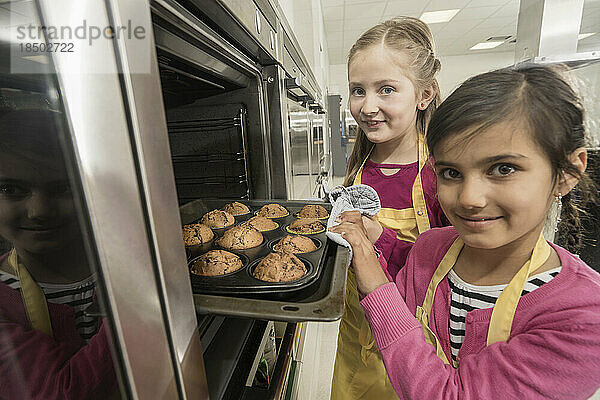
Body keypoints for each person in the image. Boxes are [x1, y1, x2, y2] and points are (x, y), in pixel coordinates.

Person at [330, 64, 600, 399]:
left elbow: (447, 393)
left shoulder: (582, 317)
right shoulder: (430, 249)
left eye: (503, 169)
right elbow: (397, 316)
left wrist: (369, 267)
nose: (470, 199)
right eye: (451, 173)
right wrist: (374, 240)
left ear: (568, 171)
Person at [331, 17, 448, 400]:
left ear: (424, 95)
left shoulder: (439, 175)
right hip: (356, 329)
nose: (368, 106)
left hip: (416, 339)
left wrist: (380, 239)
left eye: (386, 89)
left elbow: (452, 271)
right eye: (358, 90)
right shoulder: (359, 163)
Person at [0, 110, 119, 399]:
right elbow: (63, 392)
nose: (39, 211)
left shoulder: (120, 263)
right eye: (10, 189)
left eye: (64, 187)